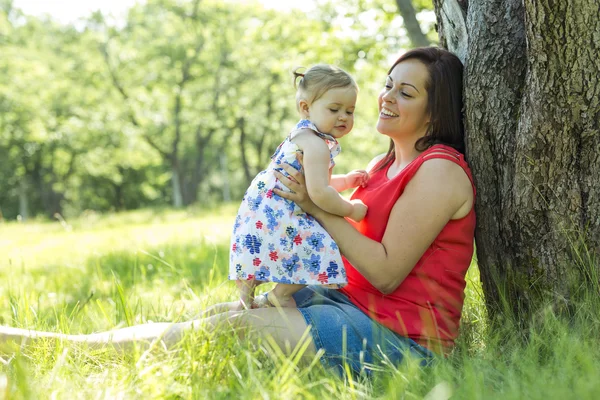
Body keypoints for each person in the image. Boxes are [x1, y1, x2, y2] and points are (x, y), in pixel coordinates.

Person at [0, 47, 475, 376]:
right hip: (350, 305)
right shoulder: (384, 163)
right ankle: (56, 350)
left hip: (404, 342)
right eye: (389, 85)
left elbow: (388, 272)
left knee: (233, 330)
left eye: (406, 93)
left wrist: (315, 205)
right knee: (223, 313)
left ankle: (54, 350)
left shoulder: (439, 172)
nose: (387, 97)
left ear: (436, 113)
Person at [230, 64, 368, 309]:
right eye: (334, 109)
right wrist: (350, 210)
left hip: (263, 207)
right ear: (306, 107)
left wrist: (346, 181)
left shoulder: (302, 134)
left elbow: (313, 182)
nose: (344, 117)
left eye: (350, 111)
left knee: (261, 249)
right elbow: (318, 193)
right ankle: (281, 294)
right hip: (284, 210)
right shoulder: (315, 145)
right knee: (324, 248)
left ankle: (245, 299)